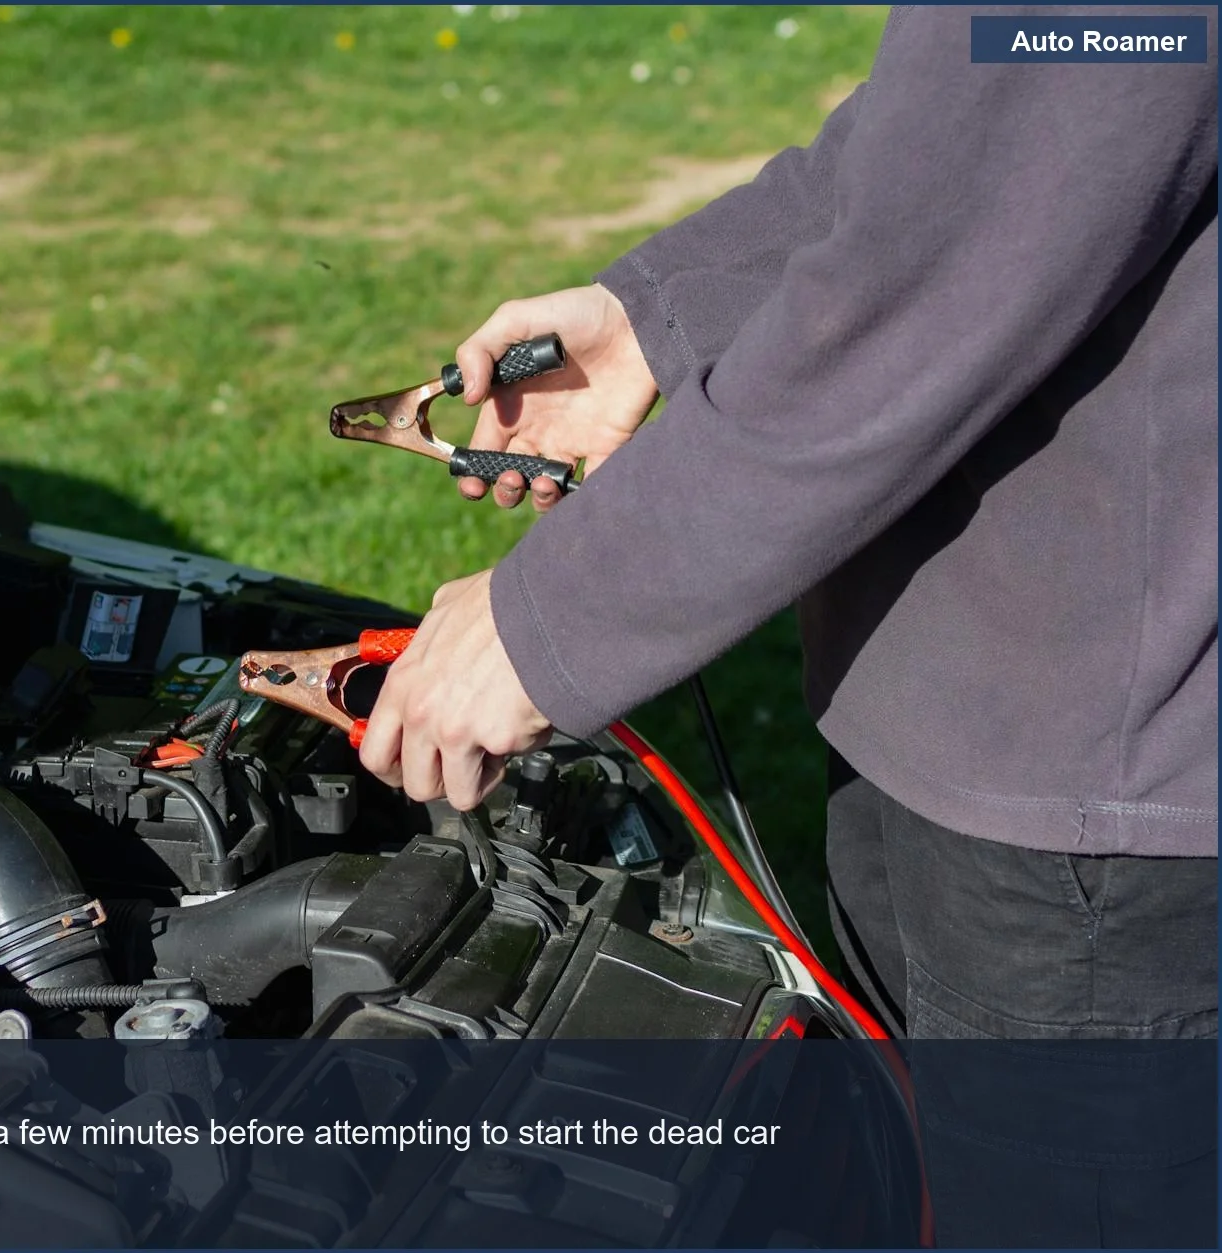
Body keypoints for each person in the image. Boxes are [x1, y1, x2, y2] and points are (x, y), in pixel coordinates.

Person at [357, 9, 1217, 1042]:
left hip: (1093, 818)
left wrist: (543, 619)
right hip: (946, 708)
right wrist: (654, 315)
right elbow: (956, 126)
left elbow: (910, 313)